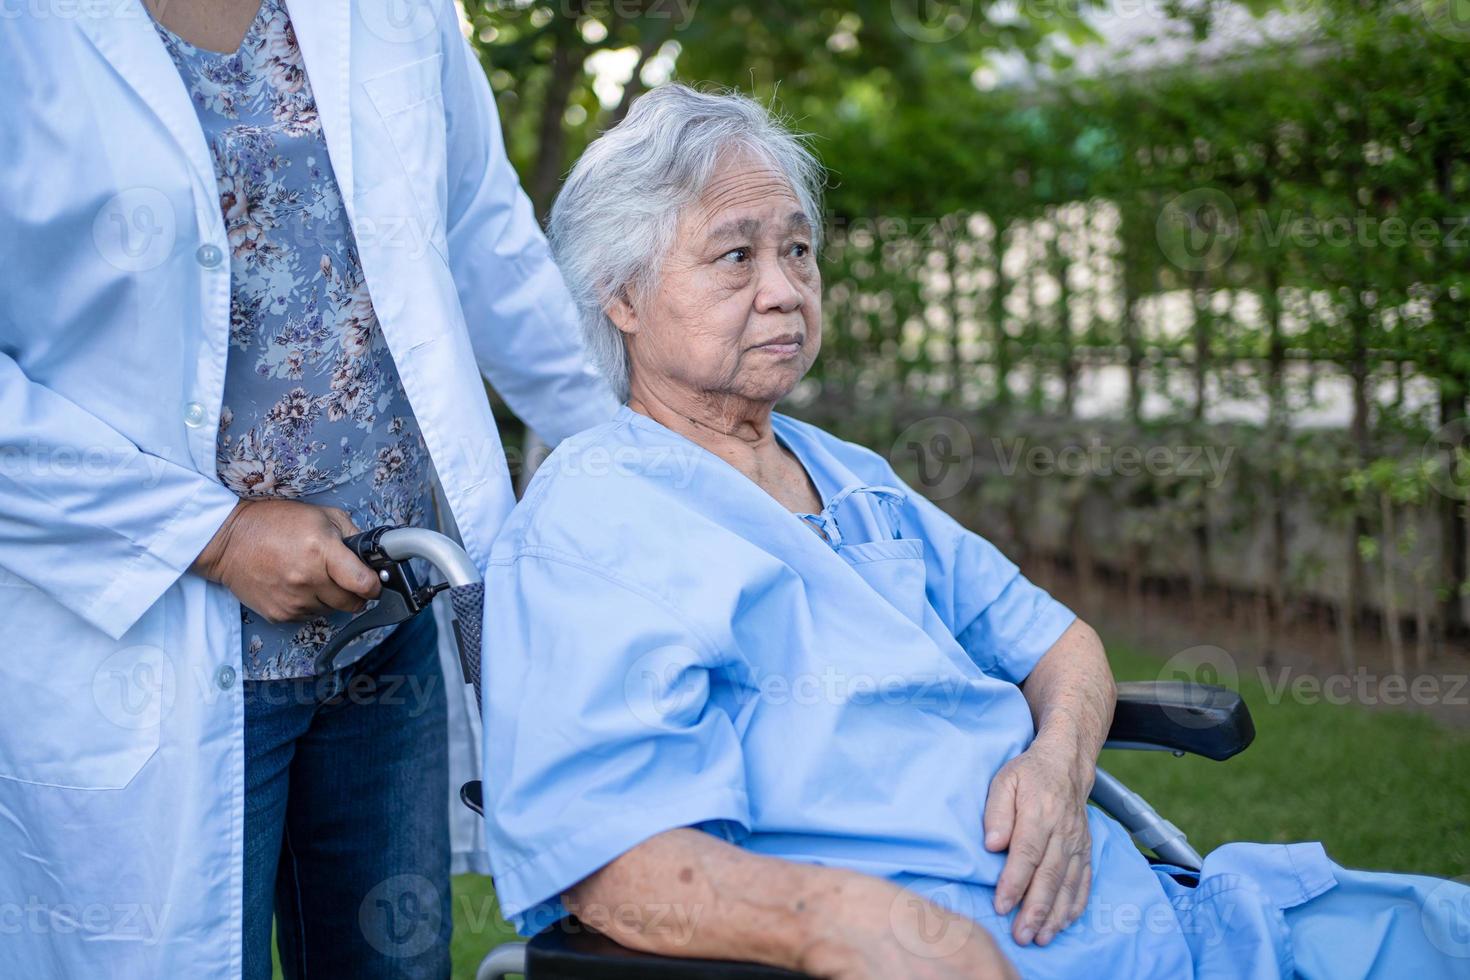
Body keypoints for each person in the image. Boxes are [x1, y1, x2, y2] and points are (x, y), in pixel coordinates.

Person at [480, 83, 1470, 979]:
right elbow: (611, 860)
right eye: (736, 254)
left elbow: (1062, 644)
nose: (784, 287)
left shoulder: (849, 474)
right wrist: (858, 925)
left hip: (1194, 924)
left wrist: (1057, 764)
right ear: (621, 295)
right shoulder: (594, 523)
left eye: (797, 249)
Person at [0, 2, 615, 977]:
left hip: (389, 628)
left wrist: (638, 467)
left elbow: (485, 236)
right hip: (148, 653)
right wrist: (214, 536)